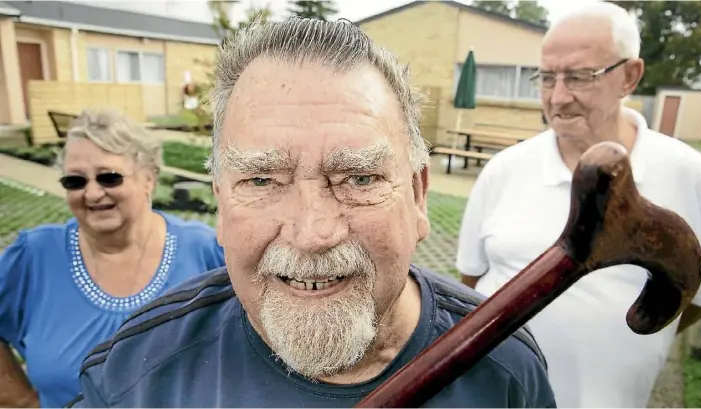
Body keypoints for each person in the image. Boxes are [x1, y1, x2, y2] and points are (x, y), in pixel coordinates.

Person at [69, 18, 557, 408]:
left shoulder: (502, 363)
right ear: (220, 204)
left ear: (417, 194)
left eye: (359, 178)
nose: (313, 233)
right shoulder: (135, 378)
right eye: (261, 180)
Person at [456, 3, 701, 408]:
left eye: (580, 76)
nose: (558, 96)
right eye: (547, 77)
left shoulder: (689, 175)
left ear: (630, 76)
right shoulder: (504, 169)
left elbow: (694, 300)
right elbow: (468, 282)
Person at [0, 109, 226, 408]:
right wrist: (25, 402)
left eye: (109, 177)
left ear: (149, 178)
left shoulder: (204, 250)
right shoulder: (35, 255)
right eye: (75, 181)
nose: (92, 193)